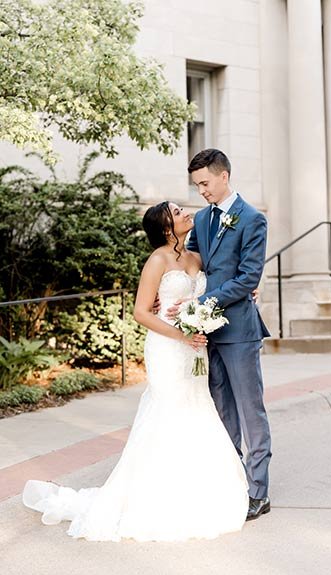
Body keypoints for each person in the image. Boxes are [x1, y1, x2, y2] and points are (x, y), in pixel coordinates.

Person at [22, 201, 249, 542]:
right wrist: (181, 333)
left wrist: (247, 289)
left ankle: (195, 493)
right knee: (168, 414)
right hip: (169, 347)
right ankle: (155, 498)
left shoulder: (195, 258)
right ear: (165, 226)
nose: (186, 211)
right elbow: (142, 312)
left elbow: (220, 285)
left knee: (198, 410)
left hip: (195, 347)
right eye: (176, 211)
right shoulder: (157, 260)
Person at [173, 148, 272, 521]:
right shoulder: (201, 220)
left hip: (239, 332)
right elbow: (192, 264)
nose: (201, 191)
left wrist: (202, 302)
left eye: (205, 183)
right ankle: (230, 484)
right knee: (221, 412)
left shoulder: (252, 219)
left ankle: (259, 493)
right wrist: (175, 292)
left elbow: (248, 278)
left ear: (223, 176)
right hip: (205, 334)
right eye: (197, 185)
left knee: (251, 412)